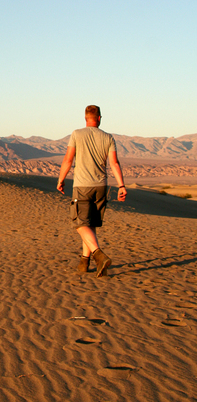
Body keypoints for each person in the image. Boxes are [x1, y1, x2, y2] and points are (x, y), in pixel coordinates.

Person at [57, 105, 127, 277]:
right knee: (90, 224)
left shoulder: (76, 134)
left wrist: (61, 179)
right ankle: (84, 262)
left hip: (82, 186)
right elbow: (114, 163)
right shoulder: (108, 137)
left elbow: (68, 159)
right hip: (101, 186)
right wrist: (121, 185)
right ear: (99, 118)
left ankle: (98, 255)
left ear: (85, 118)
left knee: (79, 223)